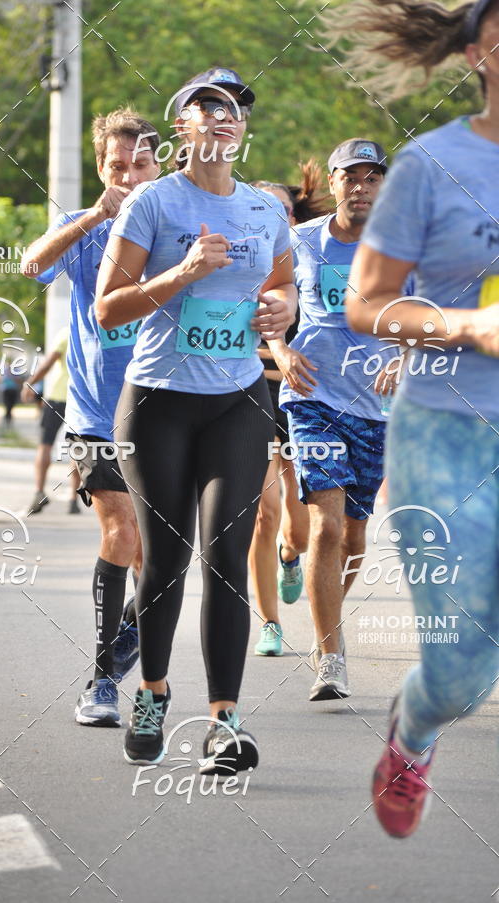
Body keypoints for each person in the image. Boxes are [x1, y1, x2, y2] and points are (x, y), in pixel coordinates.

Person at [96, 67, 297, 773]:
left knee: (228, 558)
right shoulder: (152, 203)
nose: (222, 120)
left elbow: (282, 285)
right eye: (205, 110)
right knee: (168, 562)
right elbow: (107, 308)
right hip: (157, 402)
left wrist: (283, 312)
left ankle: (224, 723)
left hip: (239, 401)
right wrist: (179, 275)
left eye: (233, 110)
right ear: (179, 127)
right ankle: (152, 693)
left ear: (243, 129)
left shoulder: (263, 210)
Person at [336, 0, 499, 838]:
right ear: (478, 51)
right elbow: (364, 304)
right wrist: (465, 325)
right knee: (462, 670)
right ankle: (417, 724)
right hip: (447, 430)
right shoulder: (434, 166)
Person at [21, 108, 161, 726]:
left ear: (159, 165)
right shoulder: (83, 227)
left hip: (175, 408)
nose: (127, 177)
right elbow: (32, 264)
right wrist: (97, 214)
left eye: (139, 165)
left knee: (162, 558)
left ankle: (133, 661)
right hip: (99, 412)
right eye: (115, 166)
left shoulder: (183, 223)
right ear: (100, 168)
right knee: (123, 534)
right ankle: (105, 681)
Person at [275, 138, 397, 701]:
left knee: (353, 534)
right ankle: (331, 657)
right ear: (335, 180)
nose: (362, 187)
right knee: (325, 524)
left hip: (375, 406)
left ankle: (329, 617)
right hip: (313, 400)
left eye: (373, 177)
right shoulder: (299, 241)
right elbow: (262, 297)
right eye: (352, 176)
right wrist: (280, 351)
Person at [248, 167, 329, 657]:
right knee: (263, 511)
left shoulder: (311, 263)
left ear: (294, 218)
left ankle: (289, 556)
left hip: (298, 397)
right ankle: (270, 623)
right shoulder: (232, 260)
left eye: (280, 209)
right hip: (244, 395)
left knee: (297, 528)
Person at [22, 326, 81, 515]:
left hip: (56, 396)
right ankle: (73, 498)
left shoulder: (66, 333)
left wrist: (30, 382)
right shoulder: (93, 331)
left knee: (45, 445)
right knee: (76, 449)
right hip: (79, 398)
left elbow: (47, 364)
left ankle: (39, 491)